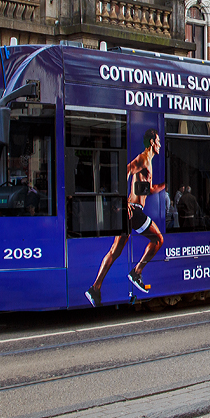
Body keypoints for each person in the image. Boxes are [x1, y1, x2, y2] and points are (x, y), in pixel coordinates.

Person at [86, 129, 166, 305]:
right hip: (133, 211)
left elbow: (148, 189)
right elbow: (126, 170)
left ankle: (95, 288)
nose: (160, 144)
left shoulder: (149, 162)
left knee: (115, 251)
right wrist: (124, 201)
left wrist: (165, 185)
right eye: (158, 141)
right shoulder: (144, 158)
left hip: (130, 212)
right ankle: (136, 272)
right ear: (152, 142)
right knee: (158, 239)